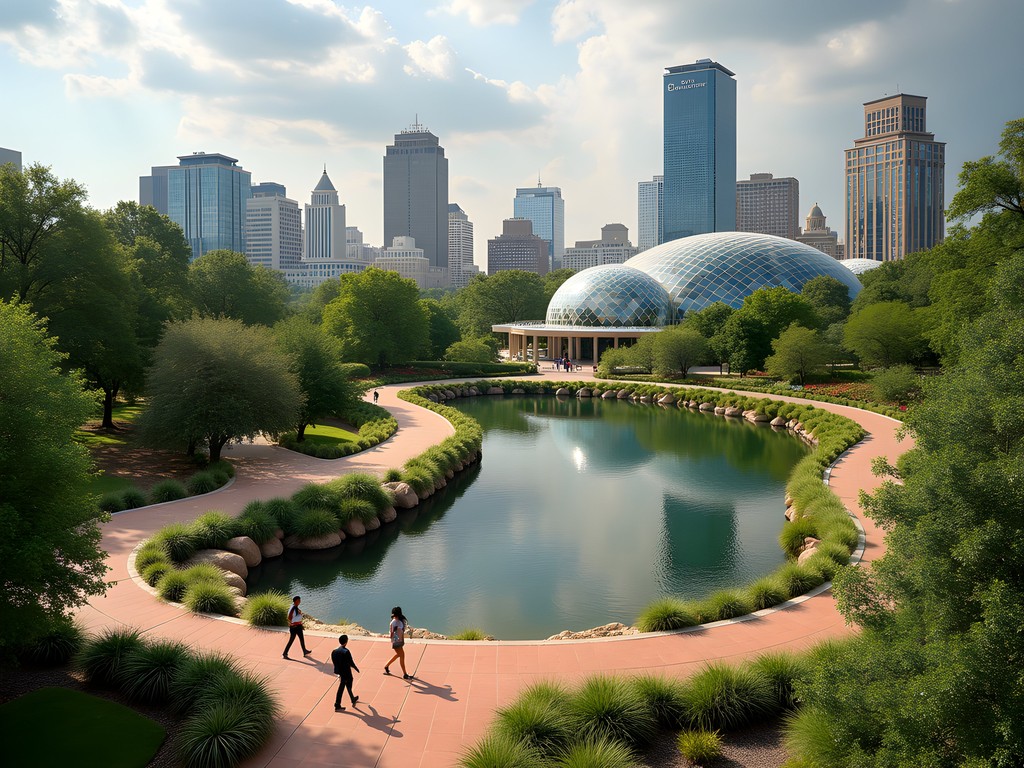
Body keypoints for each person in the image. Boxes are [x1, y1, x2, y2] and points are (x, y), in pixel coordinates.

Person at [331, 635, 360, 710]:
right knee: (345, 685)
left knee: (345, 684)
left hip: (340, 671)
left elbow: (334, 661)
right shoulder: (346, 651)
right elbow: (351, 662)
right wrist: (356, 668)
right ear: (346, 641)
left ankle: (352, 698)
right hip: (346, 672)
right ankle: (337, 704)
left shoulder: (334, 651)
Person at [383, 606, 411, 680]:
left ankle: (386, 666)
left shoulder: (401, 621)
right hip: (396, 642)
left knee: (399, 655)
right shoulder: (394, 622)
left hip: (400, 640)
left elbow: (399, 631)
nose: (394, 616)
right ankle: (405, 674)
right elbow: (391, 634)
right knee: (402, 656)